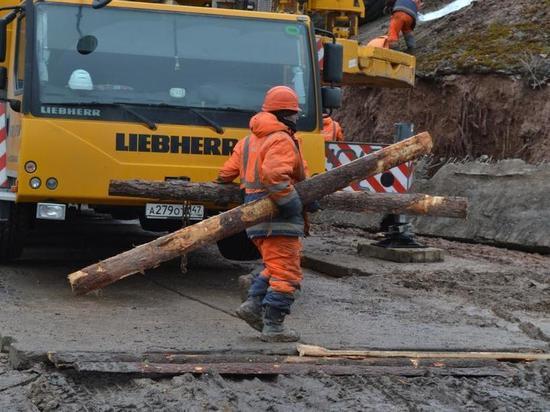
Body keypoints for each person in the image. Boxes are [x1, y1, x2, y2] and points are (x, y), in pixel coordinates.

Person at [216, 86, 314, 342]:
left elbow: (225, 173)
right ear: (283, 113)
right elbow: (274, 176)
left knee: (274, 265)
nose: (296, 118)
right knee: (286, 274)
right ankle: (274, 326)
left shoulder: (248, 141)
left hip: (254, 215)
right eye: (293, 113)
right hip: (276, 214)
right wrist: (292, 203)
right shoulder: (281, 139)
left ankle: (252, 306)